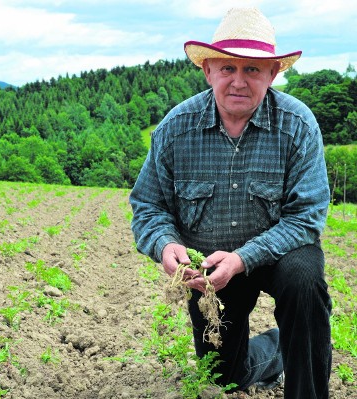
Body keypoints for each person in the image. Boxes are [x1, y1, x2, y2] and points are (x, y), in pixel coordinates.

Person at [129, 7, 332, 399]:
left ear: (273, 74)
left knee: (304, 278)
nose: (239, 81)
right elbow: (149, 206)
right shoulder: (175, 129)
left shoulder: (298, 125)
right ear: (208, 71)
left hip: (280, 256)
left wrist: (243, 258)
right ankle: (276, 349)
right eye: (228, 69)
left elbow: (306, 217)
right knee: (226, 377)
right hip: (211, 269)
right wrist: (165, 244)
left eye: (253, 69)